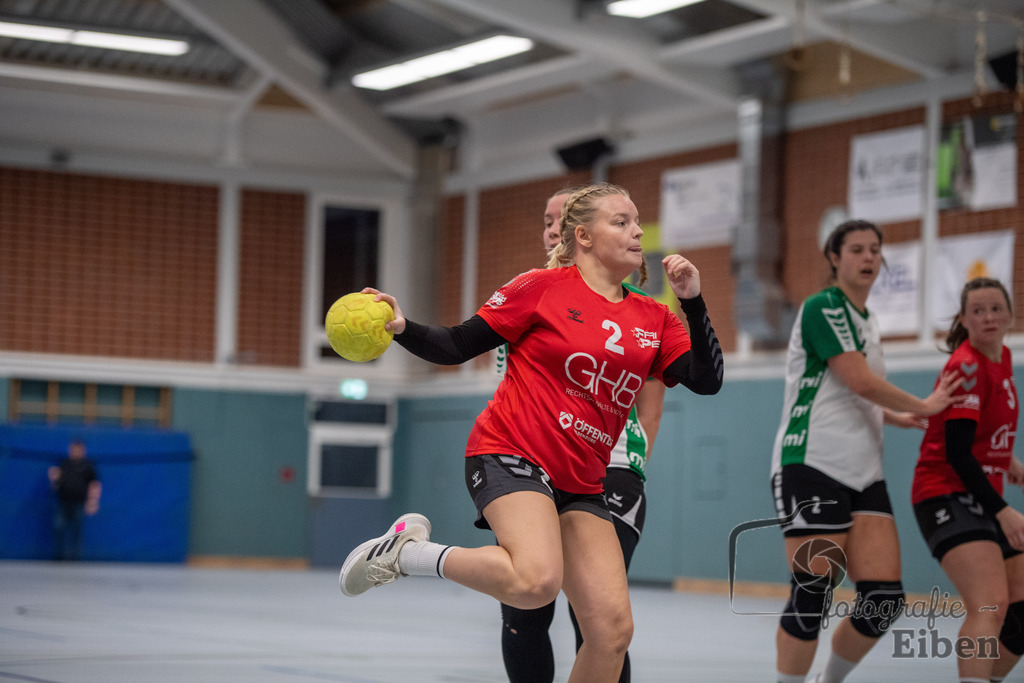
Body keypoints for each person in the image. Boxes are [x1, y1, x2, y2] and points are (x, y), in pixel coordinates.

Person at [339, 183, 723, 683]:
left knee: (610, 633)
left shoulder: (655, 317)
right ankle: (407, 554)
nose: (636, 232)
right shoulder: (541, 287)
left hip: (583, 480)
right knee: (536, 583)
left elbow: (706, 380)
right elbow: (457, 344)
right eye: (621, 222)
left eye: (637, 221)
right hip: (510, 453)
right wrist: (402, 325)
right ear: (583, 236)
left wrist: (693, 303)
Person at [769, 219, 961, 683]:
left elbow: (856, 396)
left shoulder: (868, 321)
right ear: (834, 258)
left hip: (864, 470)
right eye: (857, 249)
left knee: (884, 598)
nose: (869, 257)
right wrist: (925, 403)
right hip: (811, 461)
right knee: (814, 588)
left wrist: (904, 417)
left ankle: (828, 680)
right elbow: (859, 380)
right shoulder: (822, 307)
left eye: (875, 249)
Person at [499, 187, 667, 683]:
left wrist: (630, 466)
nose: (554, 227)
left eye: (564, 217)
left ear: (585, 231)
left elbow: (651, 406)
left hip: (607, 469)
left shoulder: (636, 311)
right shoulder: (527, 296)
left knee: (599, 619)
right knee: (525, 607)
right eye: (547, 219)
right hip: (534, 467)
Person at [912, 277, 1024, 683]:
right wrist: (1005, 512)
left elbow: (975, 430)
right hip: (943, 492)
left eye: (996, 308)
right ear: (965, 319)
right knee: (990, 605)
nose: (989, 317)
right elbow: (957, 452)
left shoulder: (1004, 357)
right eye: (978, 311)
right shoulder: (967, 366)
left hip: (982, 493)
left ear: (1010, 314)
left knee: (1020, 609)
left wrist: (1007, 459)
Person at [48, 439, 101, 561]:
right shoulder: (64, 463)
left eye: (78, 449)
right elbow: (56, 483)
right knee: (59, 526)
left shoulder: (88, 465)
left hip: (79, 502)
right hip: (63, 501)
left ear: (83, 450)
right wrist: (54, 480)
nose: (75, 452)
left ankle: (74, 556)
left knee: (77, 530)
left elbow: (94, 484)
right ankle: (59, 555)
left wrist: (93, 502)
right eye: (73, 449)